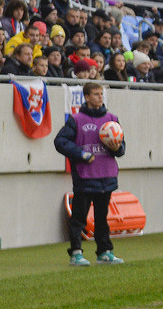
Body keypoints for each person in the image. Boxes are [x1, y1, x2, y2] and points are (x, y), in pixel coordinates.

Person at [54, 82, 126, 266]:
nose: (100, 97)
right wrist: (81, 154)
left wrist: (117, 148)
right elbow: (60, 141)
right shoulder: (76, 120)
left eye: (101, 94)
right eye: (95, 94)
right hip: (85, 176)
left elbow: (121, 148)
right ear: (86, 97)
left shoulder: (112, 119)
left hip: (106, 176)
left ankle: (104, 251)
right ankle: (76, 253)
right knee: (79, 217)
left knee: (102, 217)